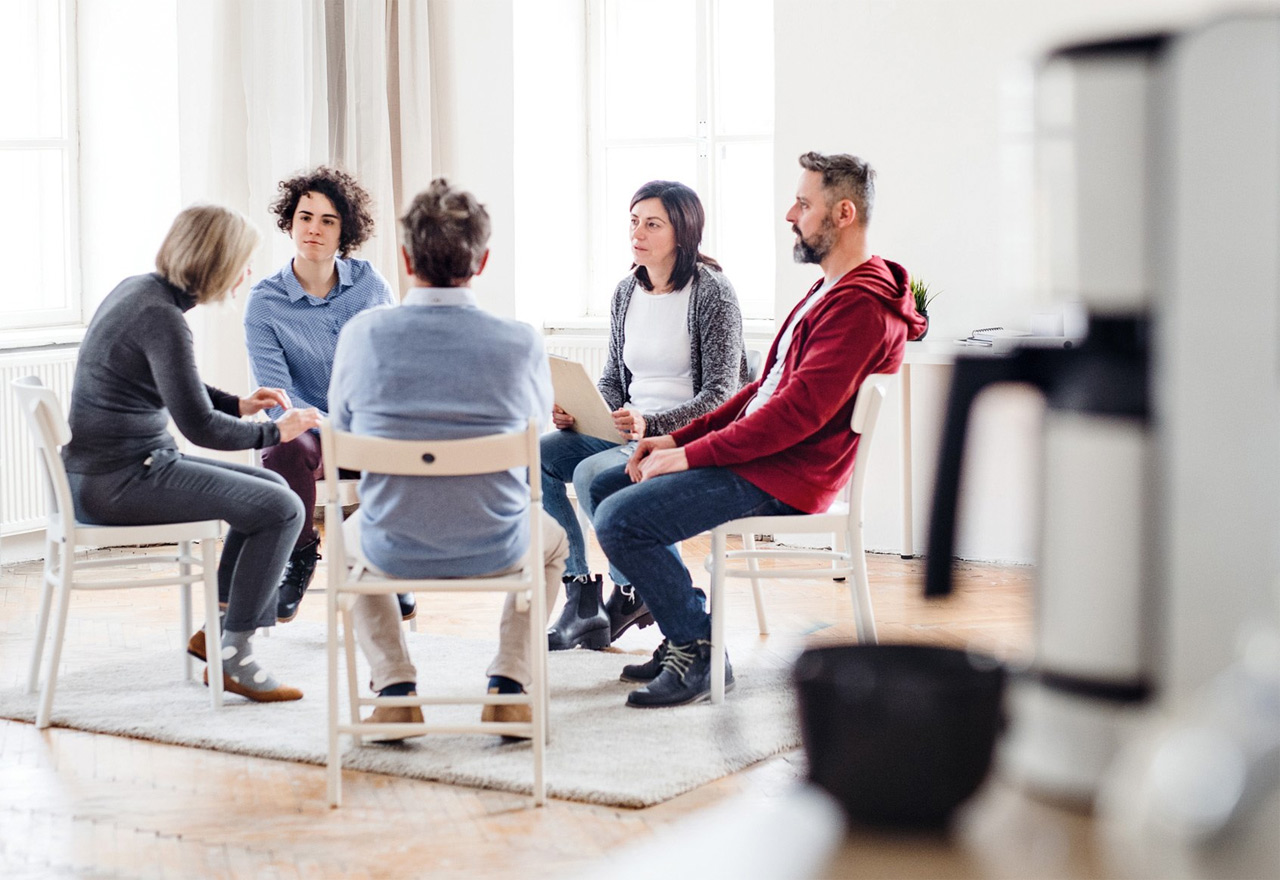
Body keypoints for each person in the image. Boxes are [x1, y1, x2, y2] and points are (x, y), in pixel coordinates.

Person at [592, 151, 928, 708]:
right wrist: (678, 438)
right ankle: (685, 623)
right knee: (609, 485)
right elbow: (762, 389)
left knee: (620, 519)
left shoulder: (860, 307)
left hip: (787, 476)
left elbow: (796, 414)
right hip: (764, 458)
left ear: (843, 214)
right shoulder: (830, 289)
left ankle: (698, 651)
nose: (790, 214)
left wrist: (693, 455)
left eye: (804, 203)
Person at [328, 178, 568, 737]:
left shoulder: (362, 334)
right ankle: (509, 685)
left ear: (406, 258)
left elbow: (341, 435)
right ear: (481, 262)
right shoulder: (520, 341)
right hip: (498, 542)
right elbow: (530, 444)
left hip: (392, 544)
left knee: (341, 541)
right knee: (556, 545)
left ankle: (394, 687)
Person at [63, 205, 323, 703]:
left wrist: (240, 404)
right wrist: (276, 433)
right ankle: (236, 657)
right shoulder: (162, 316)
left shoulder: (140, 292)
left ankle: (222, 629)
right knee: (284, 507)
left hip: (110, 472)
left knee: (273, 490)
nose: (247, 275)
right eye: (242, 262)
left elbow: (176, 384)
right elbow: (199, 426)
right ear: (217, 261)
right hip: (121, 482)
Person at [542, 180, 746, 653]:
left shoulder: (712, 292)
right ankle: (583, 596)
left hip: (678, 436)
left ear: (683, 231)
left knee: (593, 474)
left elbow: (723, 395)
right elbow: (616, 378)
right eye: (634, 221)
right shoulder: (625, 291)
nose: (638, 233)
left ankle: (633, 589)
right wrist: (584, 411)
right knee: (537, 456)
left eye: (652, 224)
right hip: (629, 429)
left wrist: (652, 426)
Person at [243, 166, 405, 625]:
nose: (313, 229)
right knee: (280, 439)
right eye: (304, 217)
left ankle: (388, 563)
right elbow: (278, 395)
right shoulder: (264, 302)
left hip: (367, 428)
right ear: (289, 222)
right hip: (308, 431)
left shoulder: (371, 286)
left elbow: (388, 371)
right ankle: (300, 557)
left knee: (405, 432)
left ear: (344, 231)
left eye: (327, 220)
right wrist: (323, 423)